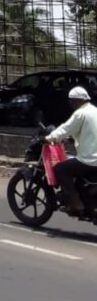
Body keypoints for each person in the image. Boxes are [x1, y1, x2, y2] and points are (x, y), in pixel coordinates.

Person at [46, 84, 97, 215]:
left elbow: (65, 129)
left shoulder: (80, 113)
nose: (71, 104)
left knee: (60, 169)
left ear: (78, 100)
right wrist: (73, 139)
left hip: (90, 160)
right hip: (93, 157)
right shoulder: (94, 111)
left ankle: (75, 203)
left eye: (71, 101)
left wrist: (49, 138)